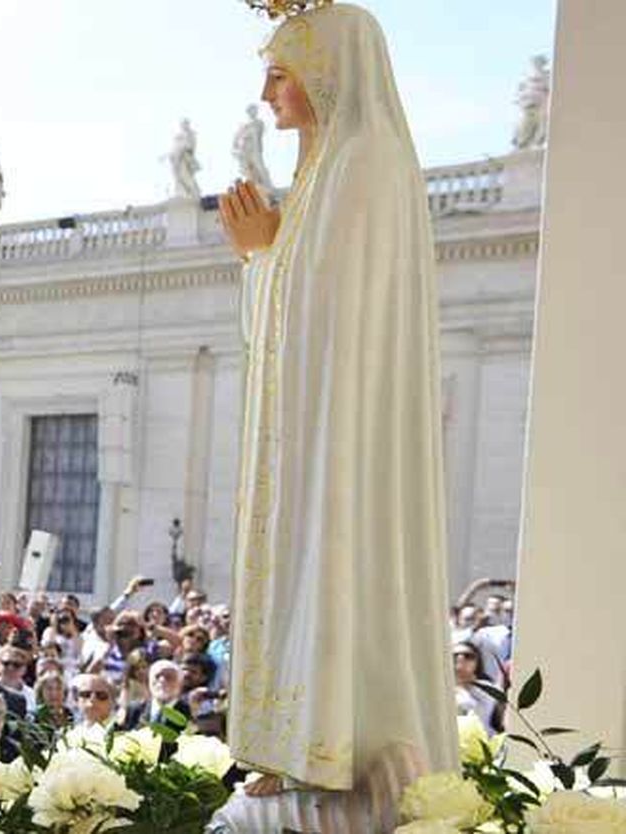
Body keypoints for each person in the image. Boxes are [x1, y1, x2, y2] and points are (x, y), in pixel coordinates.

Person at [215, 2, 457, 825]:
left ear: (329, 72)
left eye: (280, 72)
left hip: (337, 437)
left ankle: (327, 742)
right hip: (315, 429)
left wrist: (261, 258)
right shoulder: (330, 167)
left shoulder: (364, 162)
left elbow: (328, 316)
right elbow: (301, 312)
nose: (265, 91)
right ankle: (296, 746)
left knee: (335, 555)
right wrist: (270, 259)